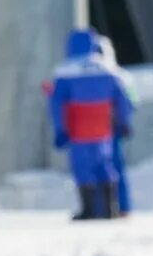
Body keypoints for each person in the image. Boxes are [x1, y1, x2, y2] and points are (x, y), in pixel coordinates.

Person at [48, 28, 135, 220]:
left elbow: (56, 105)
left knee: (82, 166)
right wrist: (123, 122)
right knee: (105, 164)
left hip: (78, 127)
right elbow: (122, 99)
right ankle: (111, 208)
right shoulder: (107, 69)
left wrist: (60, 129)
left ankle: (89, 210)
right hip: (102, 127)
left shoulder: (64, 72)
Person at [99, 34, 136, 215]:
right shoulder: (118, 75)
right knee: (112, 169)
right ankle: (115, 207)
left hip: (108, 129)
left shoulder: (117, 76)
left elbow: (128, 102)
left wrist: (122, 121)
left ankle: (116, 207)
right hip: (108, 128)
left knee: (110, 168)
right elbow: (129, 102)